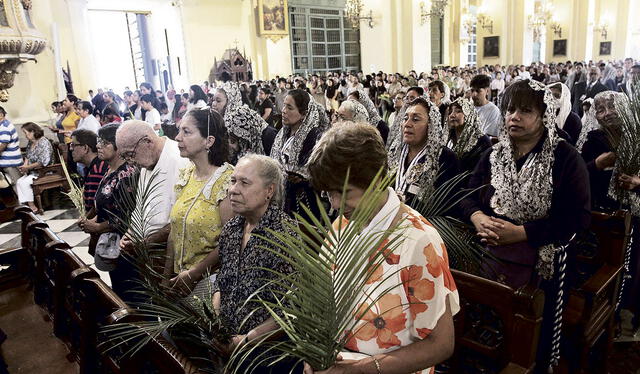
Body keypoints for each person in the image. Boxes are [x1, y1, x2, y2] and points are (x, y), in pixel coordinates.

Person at [304, 122, 458, 374]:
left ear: (376, 180)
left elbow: (440, 344)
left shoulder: (420, 240)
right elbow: (322, 303)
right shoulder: (342, 226)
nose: (335, 205)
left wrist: (362, 369)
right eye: (329, 194)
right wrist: (313, 352)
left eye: (344, 192)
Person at [461, 79, 591, 288]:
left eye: (526, 110)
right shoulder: (493, 155)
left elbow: (578, 217)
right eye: (510, 109)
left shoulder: (566, 158)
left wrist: (522, 233)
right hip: (488, 252)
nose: (515, 117)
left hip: (542, 259)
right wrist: (478, 217)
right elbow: (468, 195)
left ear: (544, 116)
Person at [213, 154, 301, 374]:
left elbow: (290, 310)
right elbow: (222, 282)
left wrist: (245, 341)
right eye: (233, 181)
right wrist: (216, 324)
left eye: (244, 183)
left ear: (269, 191)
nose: (233, 190)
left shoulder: (283, 235)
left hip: (266, 352)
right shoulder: (233, 228)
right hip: (228, 340)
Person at [167, 108, 234, 297]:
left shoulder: (227, 181)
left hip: (211, 283)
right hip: (180, 279)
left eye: (186, 132)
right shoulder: (186, 174)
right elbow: (174, 230)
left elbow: (230, 241)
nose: (178, 137)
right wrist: (166, 278)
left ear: (209, 141)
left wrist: (194, 274)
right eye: (179, 130)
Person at [78, 123, 139, 302]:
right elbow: (107, 205)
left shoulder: (127, 175)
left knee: (129, 289)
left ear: (118, 146)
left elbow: (127, 217)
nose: (98, 146)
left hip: (123, 244)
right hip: (110, 241)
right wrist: (93, 219)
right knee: (118, 287)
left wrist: (97, 227)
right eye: (98, 142)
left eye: (104, 143)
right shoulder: (109, 169)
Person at [115, 120, 190, 259]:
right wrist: (130, 233)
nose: (129, 161)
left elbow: (184, 218)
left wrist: (150, 241)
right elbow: (141, 208)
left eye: (130, 154)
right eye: (124, 157)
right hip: (147, 250)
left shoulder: (181, 160)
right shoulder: (146, 162)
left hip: (171, 251)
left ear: (147, 141)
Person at [390, 97, 459, 207]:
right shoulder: (394, 153)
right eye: (405, 118)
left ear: (430, 125)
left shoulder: (444, 158)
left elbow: (446, 206)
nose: (407, 124)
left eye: (416, 119)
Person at [270, 89, 324, 219]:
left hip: (303, 202)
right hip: (280, 197)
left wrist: (303, 177)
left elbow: (318, 172)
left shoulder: (315, 136)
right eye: (284, 105)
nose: (284, 111)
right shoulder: (282, 134)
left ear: (304, 113)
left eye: (290, 108)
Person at [213, 83, 271, 164]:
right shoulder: (231, 113)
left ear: (230, 100)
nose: (214, 104)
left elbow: (237, 148)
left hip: (266, 146)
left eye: (218, 101)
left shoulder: (234, 116)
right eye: (213, 100)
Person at [445, 98, 492, 173]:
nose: (452, 115)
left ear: (469, 115)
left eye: (458, 111)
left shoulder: (482, 141)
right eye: (450, 112)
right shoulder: (447, 138)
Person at [16, 123, 53, 213]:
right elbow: (27, 157)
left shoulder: (43, 142)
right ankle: (25, 205)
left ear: (33, 131)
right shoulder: (31, 143)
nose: (25, 135)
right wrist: (24, 166)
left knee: (25, 183)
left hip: (44, 171)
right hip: (33, 172)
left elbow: (43, 162)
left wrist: (28, 167)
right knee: (19, 182)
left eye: (26, 133)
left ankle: (32, 207)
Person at [69, 129, 108, 213]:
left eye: (73, 145)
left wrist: (85, 220)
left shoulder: (97, 170)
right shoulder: (95, 166)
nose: (70, 149)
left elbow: (94, 207)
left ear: (85, 148)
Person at [0, 107, 23, 192]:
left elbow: (3, 145)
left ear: (1, 115)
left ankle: (24, 204)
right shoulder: (3, 125)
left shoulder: (4, 127)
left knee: (17, 184)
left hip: (10, 161)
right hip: (8, 160)